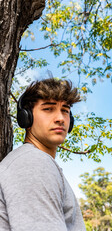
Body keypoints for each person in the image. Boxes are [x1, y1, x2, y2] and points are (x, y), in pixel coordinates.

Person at [0, 78, 86, 231]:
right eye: (48, 109)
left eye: (65, 110)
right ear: (26, 118)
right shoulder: (32, 163)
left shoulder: (33, 161)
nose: (60, 118)